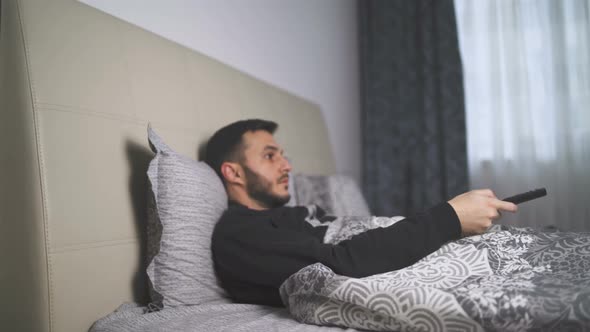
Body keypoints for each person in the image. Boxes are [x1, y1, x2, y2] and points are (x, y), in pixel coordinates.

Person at [206, 119, 517, 307]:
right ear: (233, 172)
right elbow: (340, 264)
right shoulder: (238, 232)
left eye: (283, 156)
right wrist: (449, 217)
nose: (287, 166)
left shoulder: (290, 216)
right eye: (270, 156)